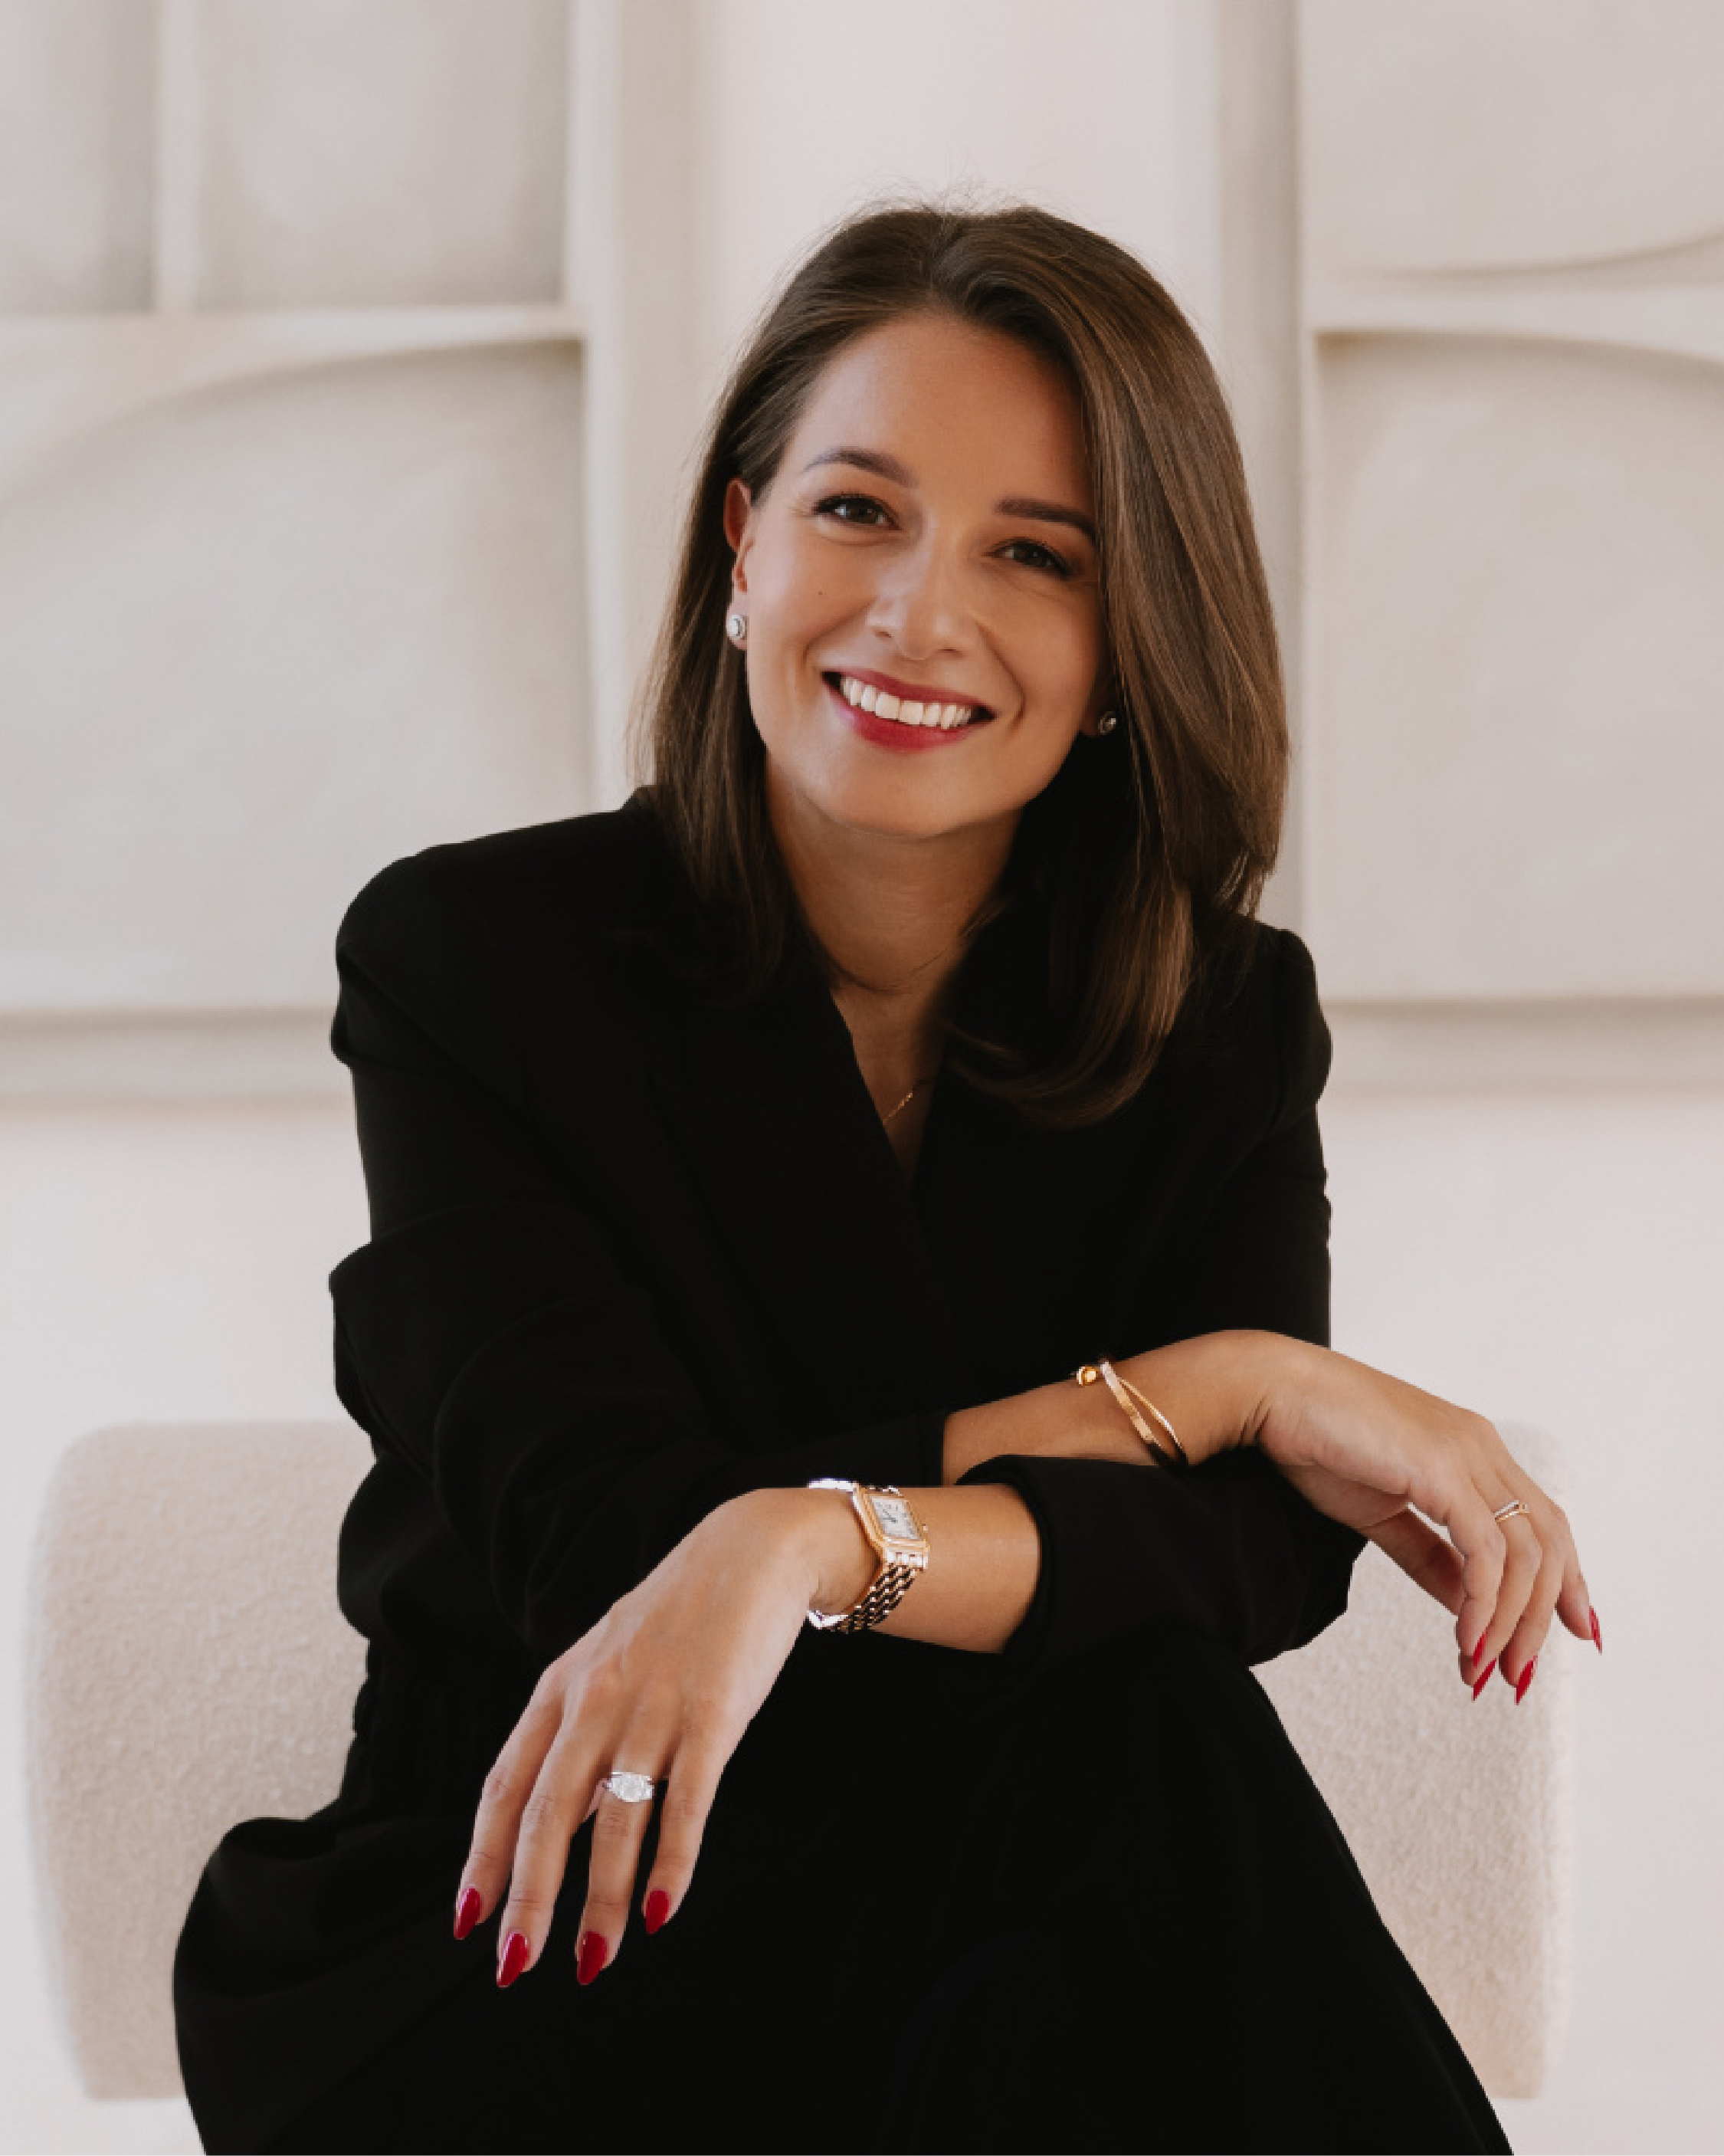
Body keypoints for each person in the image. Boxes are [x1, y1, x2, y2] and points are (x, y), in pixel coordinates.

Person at [174, 203, 1598, 2154]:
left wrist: (807, 1542)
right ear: (742, 546)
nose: (923, 614)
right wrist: (1219, 1384)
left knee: (1115, 1803)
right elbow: (616, 1547)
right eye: (858, 511)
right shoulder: (473, 962)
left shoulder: (1223, 1016)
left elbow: (1243, 1561)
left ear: (1124, 643)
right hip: (550, 1914)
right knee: (1129, 1755)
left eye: (1036, 553)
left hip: (995, 1933)